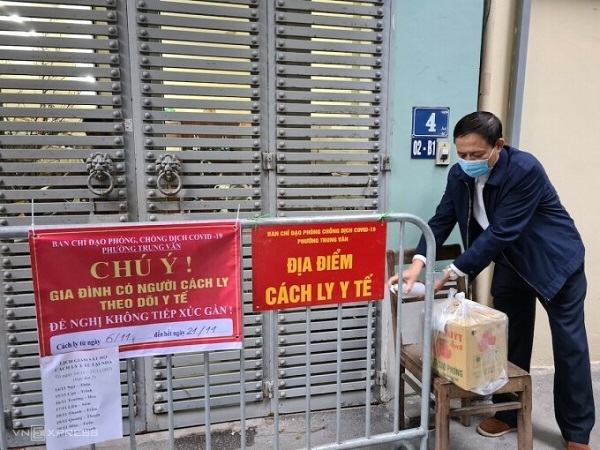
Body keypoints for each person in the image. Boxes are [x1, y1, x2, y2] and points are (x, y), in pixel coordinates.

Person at [387, 111, 595, 449]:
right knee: (509, 341)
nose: (468, 161)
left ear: (498, 145)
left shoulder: (524, 170)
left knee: (569, 348)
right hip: (511, 263)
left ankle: (577, 433)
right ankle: (508, 414)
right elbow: (442, 219)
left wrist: (451, 273)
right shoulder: (459, 174)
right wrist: (418, 262)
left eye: (477, 154)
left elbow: (501, 232)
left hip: (554, 263)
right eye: (462, 153)